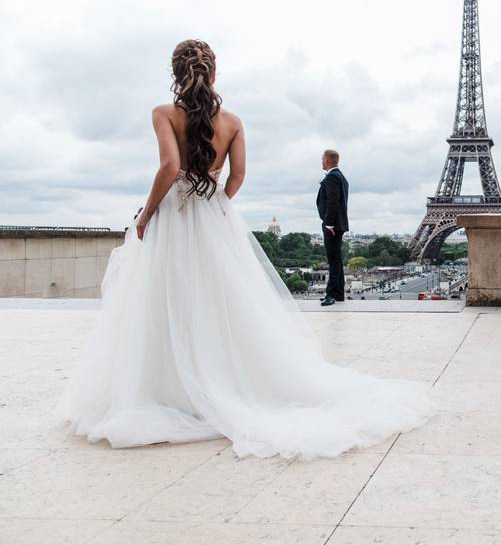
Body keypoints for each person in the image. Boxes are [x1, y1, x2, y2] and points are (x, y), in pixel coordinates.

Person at [56, 39, 433, 459]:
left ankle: (172, 386)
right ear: (214, 75)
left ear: (176, 75)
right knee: (219, 300)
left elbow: (168, 167)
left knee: (165, 299)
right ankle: (219, 376)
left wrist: (146, 215)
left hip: (172, 218)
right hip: (212, 214)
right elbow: (238, 177)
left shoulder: (163, 114)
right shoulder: (233, 121)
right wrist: (215, 202)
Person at [316, 150, 348, 306]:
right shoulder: (341, 177)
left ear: (327, 160)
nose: (321, 161)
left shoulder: (333, 177)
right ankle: (339, 293)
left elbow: (332, 202)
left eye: (322, 159)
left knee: (333, 260)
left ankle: (331, 294)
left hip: (332, 225)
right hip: (338, 223)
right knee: (337, 259)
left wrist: (329, 224)